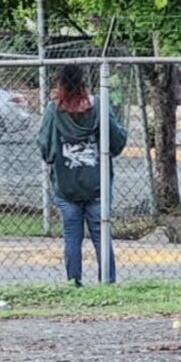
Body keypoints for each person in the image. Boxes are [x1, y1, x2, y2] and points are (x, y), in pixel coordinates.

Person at [38, 65, 127, 286]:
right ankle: (107, 283)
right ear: (84, 81)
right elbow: (117, 142)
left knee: (72, 237)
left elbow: (46, 149)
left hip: (66, 186)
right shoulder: (99, 105)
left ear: (59, 82)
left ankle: (73, 283)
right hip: (98, 184)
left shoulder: (53, 109)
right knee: (101, 236)